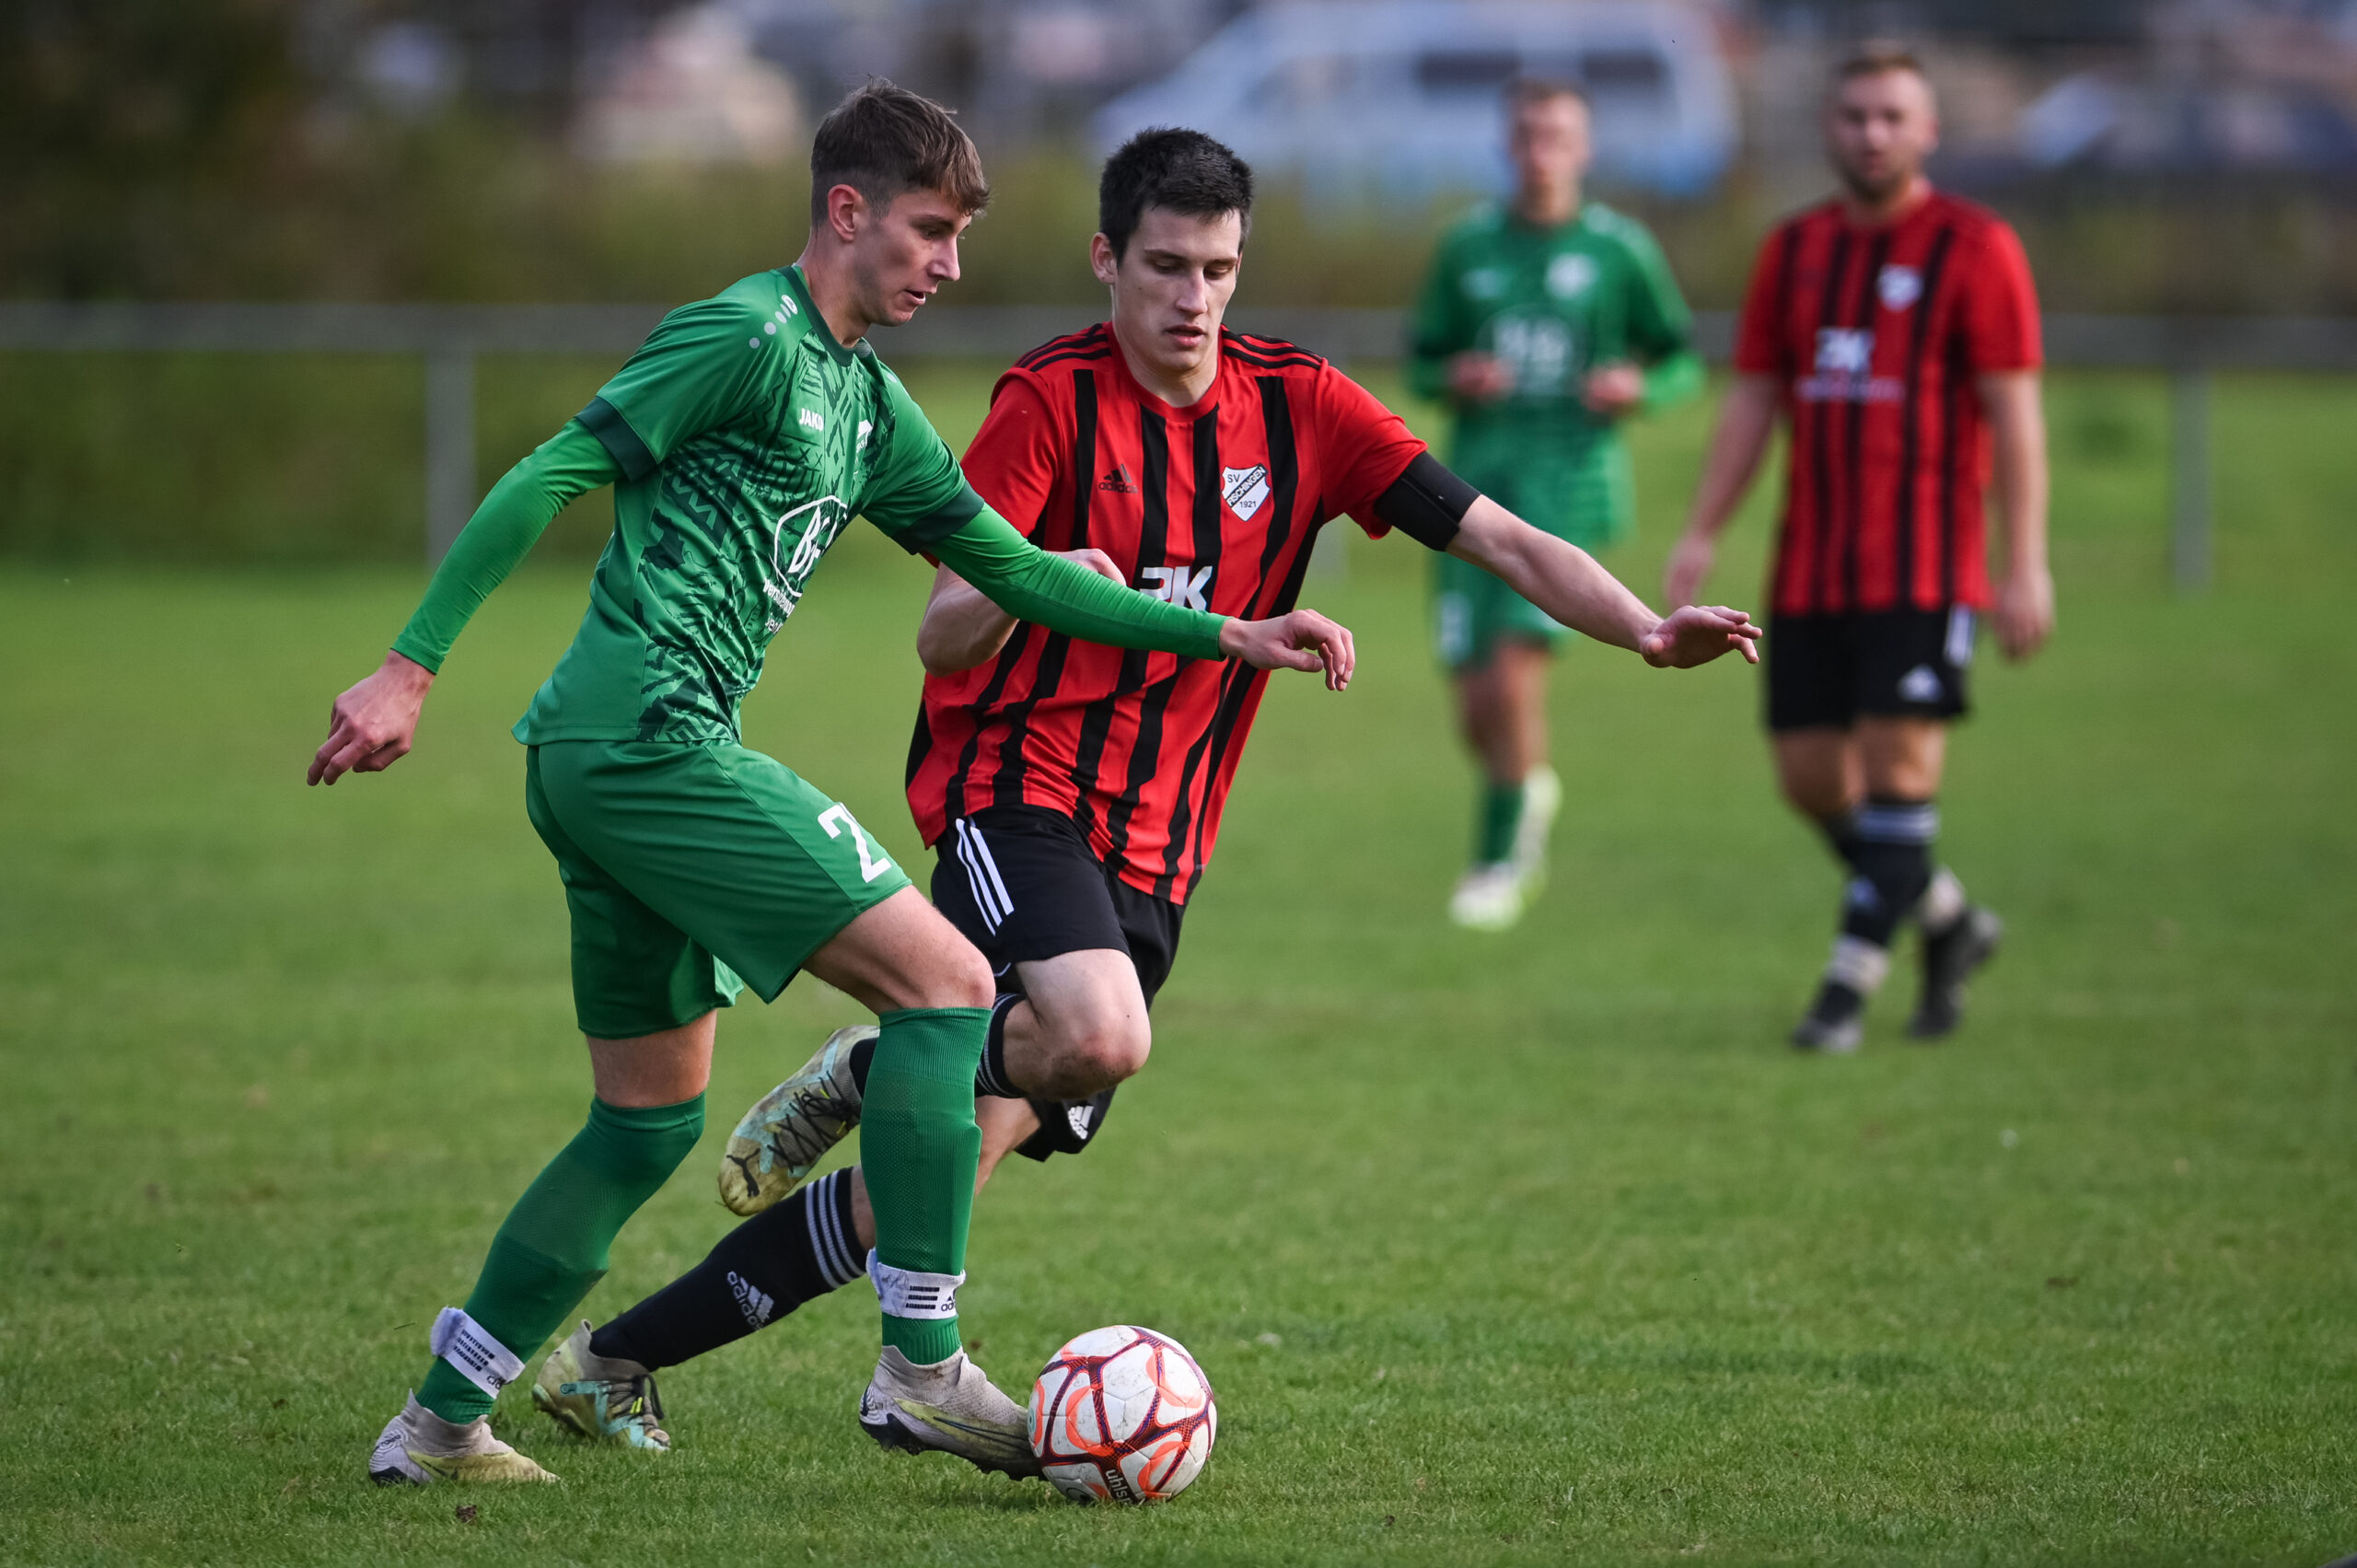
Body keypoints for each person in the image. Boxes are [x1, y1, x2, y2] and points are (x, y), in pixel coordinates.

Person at [543, 128, 1759, 1451]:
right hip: (1017, 789)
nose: (1194, 298)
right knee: (1102, 1034)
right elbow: (941, 631)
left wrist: (1642, 628)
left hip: (1161, 846)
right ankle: (887, 1086)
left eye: (1220, 269)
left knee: (932, 1172)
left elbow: (1498, 532)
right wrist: (1034, 576)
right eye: (1167, 266)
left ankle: (614, 1358)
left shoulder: (1300, 405)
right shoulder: (1047, 402)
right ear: (1107, 259)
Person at [308, 84, 1357, 1487]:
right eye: (929, 231)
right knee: (947, 983)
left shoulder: (867, 406)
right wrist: (408, 669)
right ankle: (924, 1366)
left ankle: (440, 1420)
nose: (950, 264)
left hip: (611, 760)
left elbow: (1023, 572)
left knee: (648, 1121)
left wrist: (1229, 631)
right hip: (648, 741)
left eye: (962, 240)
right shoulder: (746, 335)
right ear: (847, 212)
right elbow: (548, 471)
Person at [1663, 42, 2053, 1052]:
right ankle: (1950, 921)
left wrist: (2026, 563)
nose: (1871, 134)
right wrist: (1702, 526)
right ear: (1828, 129)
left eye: (1891, 117)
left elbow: (2014, 415)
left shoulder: (1975, 249)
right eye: (1853, 117)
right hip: (1809, 572)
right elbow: (1754, 398)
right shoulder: (1793, 253)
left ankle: (1843, 990)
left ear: (1926, 131)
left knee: (1897, 776)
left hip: (1923, 571)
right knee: (1809, 780)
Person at [1409, 77, 1704, 931]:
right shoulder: (1466, 246)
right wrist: (1455, 376)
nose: (1541, 152)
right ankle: (1526, 787)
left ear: (1585, 149)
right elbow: (1422, 359)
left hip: (1570, 490)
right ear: (1509, 146)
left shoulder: (1619, 250)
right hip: (1471, 491)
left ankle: (1501, 861)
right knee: (1476, 706)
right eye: (1528, 136)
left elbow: (1682, 359)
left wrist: (1637, 386)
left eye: (1558, 137)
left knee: (1509, 679)